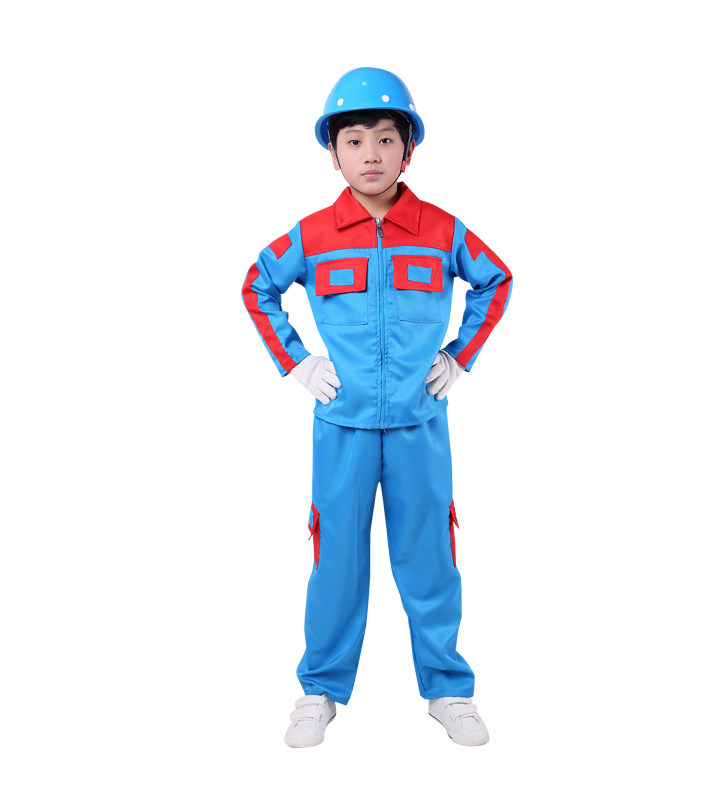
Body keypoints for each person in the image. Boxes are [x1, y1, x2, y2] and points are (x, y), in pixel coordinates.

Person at [242, 67, 512, 747]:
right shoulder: (313, 234)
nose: (371, 154)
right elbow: (258, 285)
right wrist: (298, 363)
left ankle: (448, 690)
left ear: (408, 150)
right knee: (336, 560)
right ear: (333, 154)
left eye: (386, 138)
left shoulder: (441, 230)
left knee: (430, 558)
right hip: (343, 427)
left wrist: (459, 355)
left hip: (421, 425)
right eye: (354, 140)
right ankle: (319, 689)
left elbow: (496, 279)